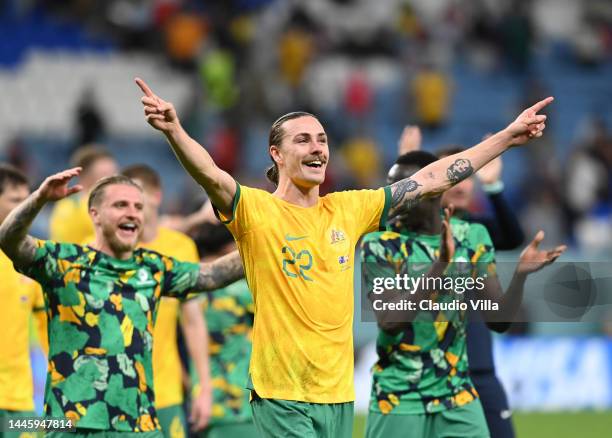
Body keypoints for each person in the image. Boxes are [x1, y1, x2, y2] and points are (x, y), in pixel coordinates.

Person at [135, 76, 552, 438]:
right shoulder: (255, 211)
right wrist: (174, 130)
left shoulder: (349, 210)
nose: (317, 148)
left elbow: (429, 179)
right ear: (276, 154)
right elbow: (211, 173)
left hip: (336, 392)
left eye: (322, 139)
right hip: (282, 392)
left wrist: (507, 138)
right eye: (303, 140)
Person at [0, 168, 244, 436]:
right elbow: (10, 240)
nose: (132, 213)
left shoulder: (153, 268)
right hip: (72, 424)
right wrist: (38, 199)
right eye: (120, 205)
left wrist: (268, 242)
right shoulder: (64, 261)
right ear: (95, 214)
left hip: (139, 426)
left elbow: (213, 275)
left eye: (138, 207)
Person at [360, 151, 566, 438]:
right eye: (391, 187)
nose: (394, 197)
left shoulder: (471, 236)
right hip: (398, 395)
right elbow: (390, 320)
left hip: (457, 393)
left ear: (434, 190)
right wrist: (440, 264)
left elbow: (498, 320)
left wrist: (520, 276)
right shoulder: (380, 243)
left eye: (403, 188)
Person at [121, 164, 213, 436]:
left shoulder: (180, 247)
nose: (131, 208)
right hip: (113, 396)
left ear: (156, 196)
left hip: (165, 393)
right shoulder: (102, 247)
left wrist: (203, 387)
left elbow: (193, 321)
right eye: (122, 201)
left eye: (138, 197)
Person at [191, 222, 258, 438]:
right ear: (229, 249)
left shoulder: (186, 288)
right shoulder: (240, 291)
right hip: (239, 405)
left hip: (200, 401)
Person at [0, 164, 47, 437]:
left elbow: (46, 330)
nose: (27, 207)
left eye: (28, 200)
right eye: (16, 200)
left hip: (20, 402)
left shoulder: (31, 258)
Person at [49, 146, 118, 243]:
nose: (114, 178)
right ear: (84, 175)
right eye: (105, 173)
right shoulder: (68, 208)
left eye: (115, 172)